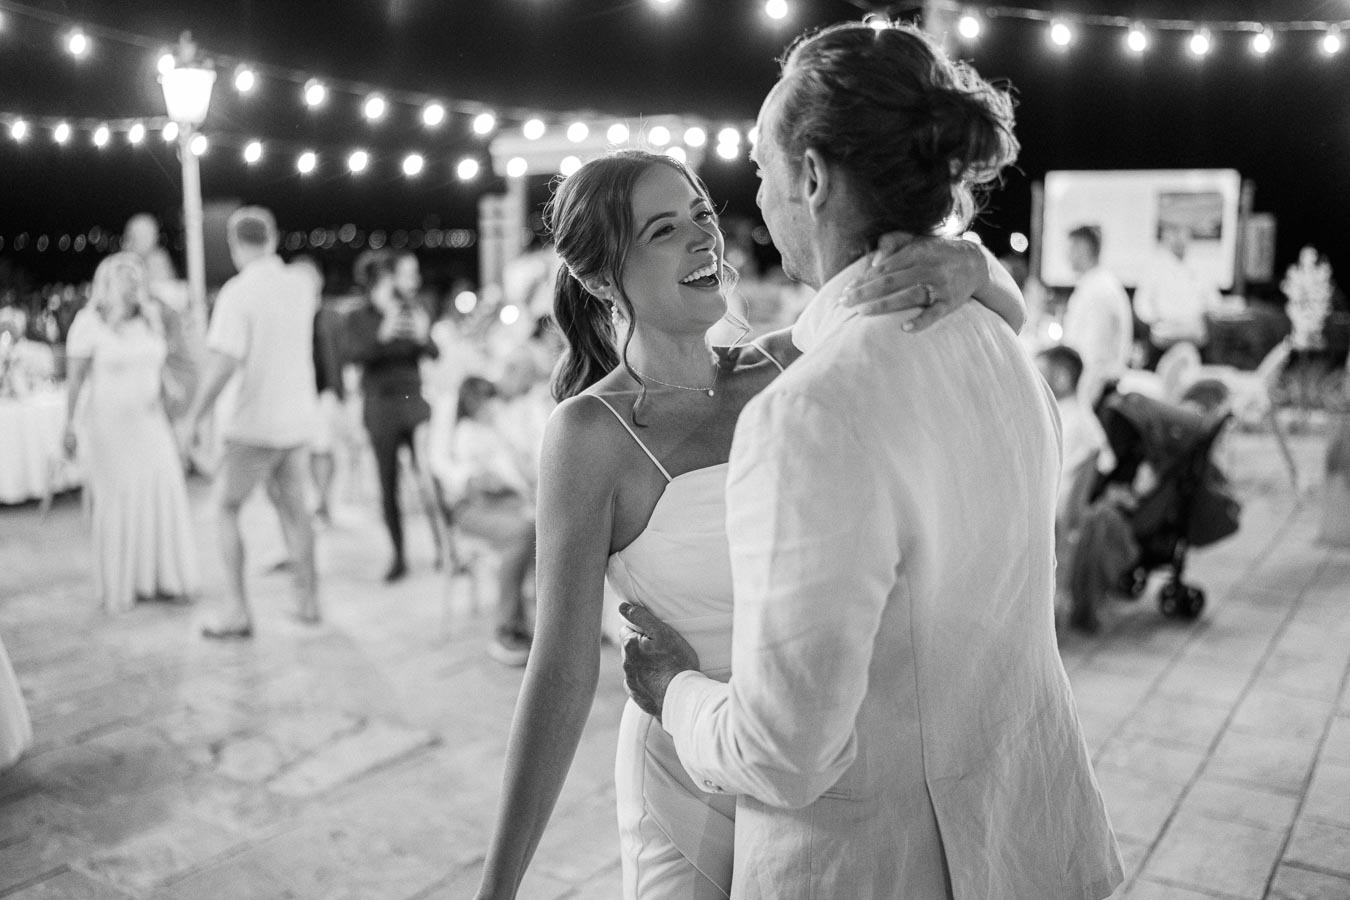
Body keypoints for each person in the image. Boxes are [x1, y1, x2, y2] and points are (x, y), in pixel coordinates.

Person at [621, 23, 1121, 900]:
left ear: (811, 177)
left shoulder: (812, 413)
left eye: (763, 164)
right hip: (1029, 837)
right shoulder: (998, 341)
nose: (757, 193)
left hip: (888, 865)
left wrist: (675, 694)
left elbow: (784, 755)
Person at [474, 143, 1029, 898]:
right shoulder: (589, 436)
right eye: (662, 230)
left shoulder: (787, 367)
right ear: (603, 275)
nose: (704, 237)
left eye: (701, 214)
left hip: (821, 768)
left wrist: (974, 265)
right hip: (683, 776)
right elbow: (564, 671)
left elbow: (947, 301)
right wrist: (497, 886)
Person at [179, 207, 320, 637]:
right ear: (273, 237)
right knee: (297, 513)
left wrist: (193, 417)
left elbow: (223, 364)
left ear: (235, 244)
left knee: (225, 509)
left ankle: (237, 611)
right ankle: (308, 601)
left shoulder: (238, 293)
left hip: (253, 424)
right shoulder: (301, 286)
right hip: (295, 420)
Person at [63, 253, 200, 612]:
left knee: (162, 489)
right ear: (108, 283)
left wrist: (169, 384)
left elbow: (155, 362)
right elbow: (75, 381)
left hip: (150, 421)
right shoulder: (88, 324)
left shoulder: (151, 319)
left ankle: (162, 577)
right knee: (118, 500)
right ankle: (120, 585)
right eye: (126, 277)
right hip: (109, 426)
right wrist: (68, 425)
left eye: (137, 277)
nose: (134, 284)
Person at [345, 250, 444, 582]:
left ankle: (444, 547)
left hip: (413, 401)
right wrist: (383, 331)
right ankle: (398, 555)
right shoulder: (358, 317)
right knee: (388, 485)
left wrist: (421, 335)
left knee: (429, 478)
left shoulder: (413, 310)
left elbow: (432, 351)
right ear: (375, 284)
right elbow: (357, 356)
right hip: (380, 405)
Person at [430, 375, 538, 665]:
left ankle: (537, 623)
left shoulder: (496, 425)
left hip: (505, 501)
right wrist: (470, 479)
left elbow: (521, 466)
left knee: (542, 526)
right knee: (523, 531)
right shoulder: (456, 426)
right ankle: (506, 627)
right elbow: (440, 465)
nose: (486, 405)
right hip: (470, 506)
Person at [1061, 224, 1133, 403]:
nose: (1066, 255)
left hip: (1095, 389)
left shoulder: (1099, 290)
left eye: (1070, 248)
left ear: (1082, 249)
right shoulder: (1094, 284)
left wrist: (1081, 404)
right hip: (1092, 384)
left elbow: (1095, 353)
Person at [1133, 223, 1220, 367]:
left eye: (1182, 235)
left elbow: (1214, 301)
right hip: (1164, 338)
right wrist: (1156, 319)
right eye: (1174, 235)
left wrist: (1203, 315)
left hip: (1194, 338)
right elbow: (1142, 303)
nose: (1178, 240)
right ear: (1167, 239)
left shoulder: (1201, 267)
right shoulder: (1154, 268)